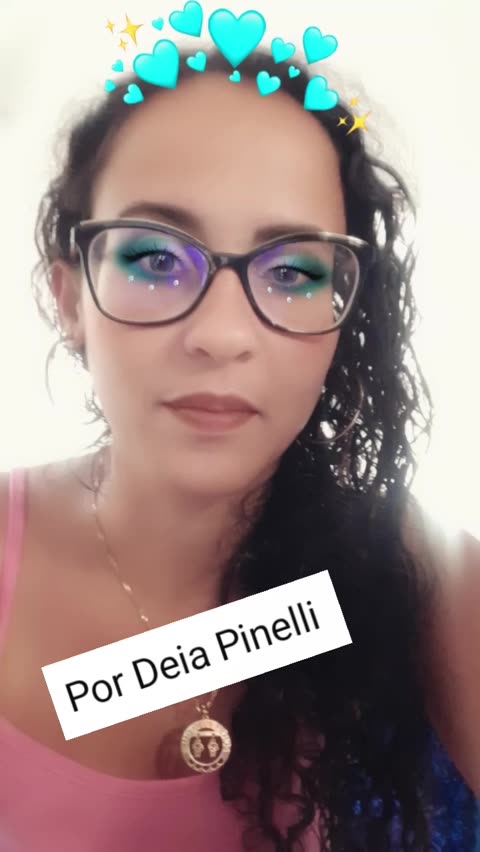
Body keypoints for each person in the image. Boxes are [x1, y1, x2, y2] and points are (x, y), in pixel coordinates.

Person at [0, 45, 478, 852]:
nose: (222, 335)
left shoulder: (406, 565)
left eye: (293, 271)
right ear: (71, 298)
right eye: (155, 257)